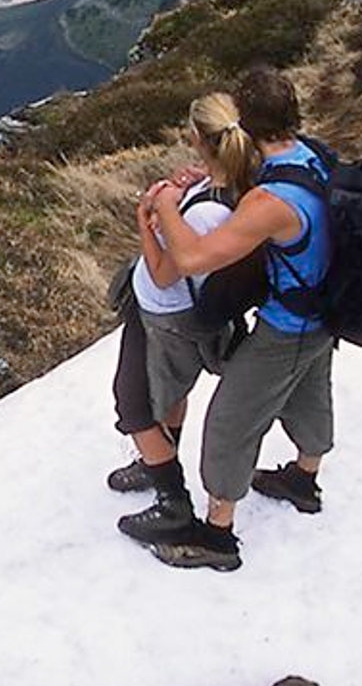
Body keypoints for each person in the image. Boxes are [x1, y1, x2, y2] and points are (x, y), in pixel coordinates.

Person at [118, 62, 333, 572]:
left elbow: (190, 260)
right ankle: (303, 478)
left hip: (289, 324)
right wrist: (206, 180)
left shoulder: (269, 199)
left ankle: (217, 536)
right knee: (308, 395)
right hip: (327, 309)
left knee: (230, 424)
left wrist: (165, 205)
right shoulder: (310, 157)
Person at [107, 93, 257, 521]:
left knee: (132, 404)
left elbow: (162, 272)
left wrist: (146, 219)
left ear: (195, 137)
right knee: (172, 390)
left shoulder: (204, 214)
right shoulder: (235, 187)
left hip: (165, 316)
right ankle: (159, 458)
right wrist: (183, 191)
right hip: (177, 314)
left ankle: (171, 499)